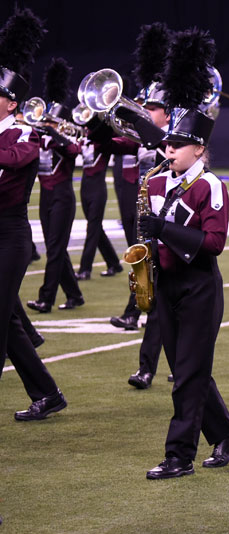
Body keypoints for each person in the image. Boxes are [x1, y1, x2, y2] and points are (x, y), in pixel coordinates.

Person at [139, 29, 229, 479]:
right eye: (167, 143)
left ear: (199, 147)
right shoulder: (157, 181)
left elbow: (213, 244)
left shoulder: (210, 185)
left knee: (187, 374)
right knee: (187, 369)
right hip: (165, 285)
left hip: (199, 287)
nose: (168, 150)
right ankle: (226, 435)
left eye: (177, 145)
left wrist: (164, 229)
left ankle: (179, 456)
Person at [0, 8, 68, 421]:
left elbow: (16, 159)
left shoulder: (23, 132)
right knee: (7, 320)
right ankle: (47, 393)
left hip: (10, 235)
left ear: (10, 102)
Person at [107, 22, 173, 389]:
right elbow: (121, 140)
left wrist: (140, 122)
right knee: (151, 289)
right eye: (146, 106)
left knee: (173, 300)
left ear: (167, 110)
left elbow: (164, 144)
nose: (148, 111)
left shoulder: (177, 135)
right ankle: (146, 366)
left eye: (153, 107)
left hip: (174, 225)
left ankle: (176, 363)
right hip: (147, 218)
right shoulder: (148, 134)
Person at [26, 58, 85, 314]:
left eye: (50, 122)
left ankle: (46, 299)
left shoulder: (65, 141)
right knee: (54, 248)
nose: (45, 125)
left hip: (62, 197)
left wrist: (57, 134)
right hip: (46, 197)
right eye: (45, 121)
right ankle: (74, 294)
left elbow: (75, 151)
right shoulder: (37, 140)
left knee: (55, 249)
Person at [75, 118, 122, 280]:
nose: (87, 131)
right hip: (85, 188)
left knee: (92, 229)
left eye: (89, 128)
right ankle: (114, 263)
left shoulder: (103, 143)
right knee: (96, 229)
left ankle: (84, 269)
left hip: (98, 189)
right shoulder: (85, 142)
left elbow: (109, 132)